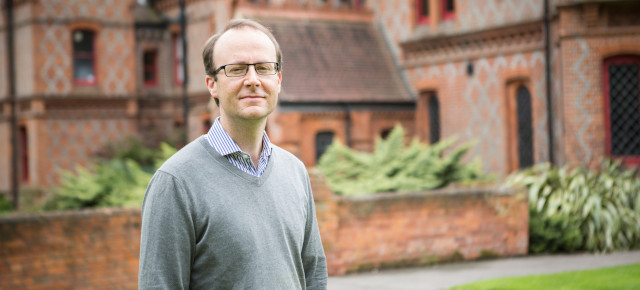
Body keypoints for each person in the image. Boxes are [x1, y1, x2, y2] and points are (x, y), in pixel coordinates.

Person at [138, 19, 327, 289]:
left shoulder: (295, 171)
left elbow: (314, 275)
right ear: (212, 84)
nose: (253, 80)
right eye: (236, 69)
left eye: (264, 68)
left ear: (278, 79)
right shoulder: (175, 182)